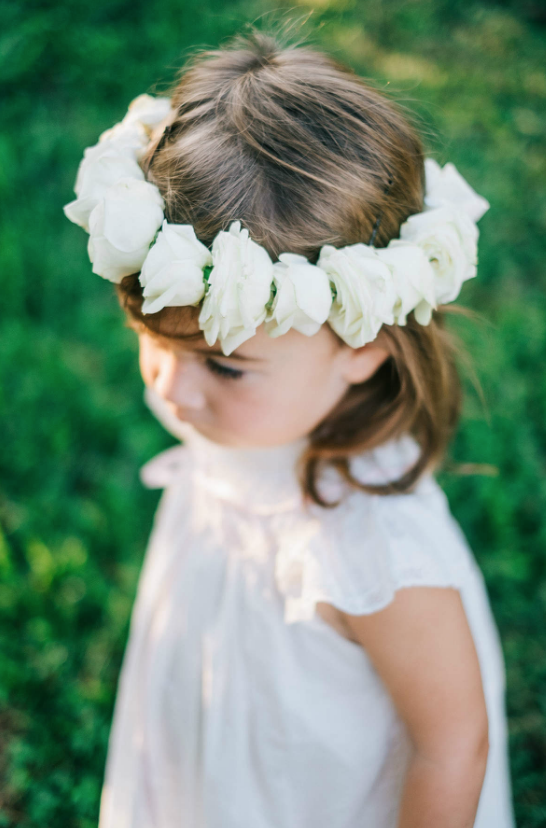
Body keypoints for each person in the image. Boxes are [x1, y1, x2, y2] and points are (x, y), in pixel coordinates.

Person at [64, 29, 515, 828]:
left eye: (224, 366)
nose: (172, 388)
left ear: (361, 345)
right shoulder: (244, 433)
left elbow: (454, 743)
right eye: (152, 344)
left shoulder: (376, 548)